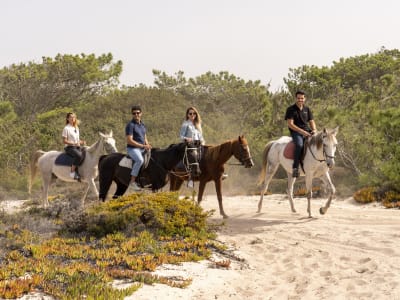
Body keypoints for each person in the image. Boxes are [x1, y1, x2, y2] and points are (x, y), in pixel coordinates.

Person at [179, 107, 228, 181]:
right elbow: (181, 136)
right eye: (190, 113)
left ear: (196, 114)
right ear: (187, 115)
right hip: (189, 145)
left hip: (199, 144)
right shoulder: (185, 124)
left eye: (194, 113)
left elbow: (201, 136)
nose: (192, 115)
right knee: (195, 155)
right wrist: (187, 139)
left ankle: (218, 172)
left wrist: (203, 143)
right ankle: (192, 172)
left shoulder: (198, 124)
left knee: (212, 152)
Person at [284, 90, 317, 178]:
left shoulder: (307, 109)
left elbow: (311, 121)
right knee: (299, 145)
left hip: (307, 131)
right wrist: (302, 132)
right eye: (298, 98)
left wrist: (314, 129)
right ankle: (295, 168)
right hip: (296, 132)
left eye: (302, 98)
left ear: (304, 99)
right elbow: (290, 124)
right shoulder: (290, 109)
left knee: (319, 142)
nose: (300, 100)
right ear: (296, 98)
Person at [125, 105, 152, 192]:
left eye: (138, 113)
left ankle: (145, 180)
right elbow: (129, 140)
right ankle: (132, 183)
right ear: (132, 114)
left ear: (141, 113)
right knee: (139, 160)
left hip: (142, 148)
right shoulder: (130, 125)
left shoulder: (143, 124)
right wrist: (143, 146)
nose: (136, 114)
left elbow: (144, 137)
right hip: (132, 149)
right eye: (134, 113)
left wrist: (147, 144)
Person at [62, 112, 86, 180]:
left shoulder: (76, 127)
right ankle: (72, 173)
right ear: (67, 119)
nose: (73, 118)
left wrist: (82, 142)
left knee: (87, 152)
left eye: (74, 117)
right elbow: (64, 141)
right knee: (79, 155)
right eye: (71, 117)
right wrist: (73, 143)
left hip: (77, 147)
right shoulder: (66, 128)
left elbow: (77, 140)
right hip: (69, 148)